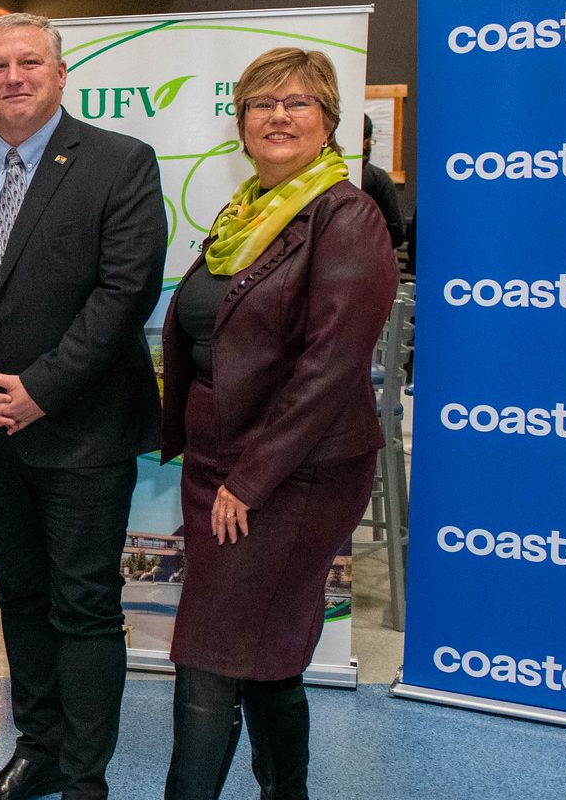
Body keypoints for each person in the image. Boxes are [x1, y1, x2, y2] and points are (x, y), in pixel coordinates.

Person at [0, 13, 166, 800]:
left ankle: (86, 776)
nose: (13, 77)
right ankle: (41, 751)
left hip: (82, 431)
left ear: (62, 74)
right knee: (20, 599)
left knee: (85, 605)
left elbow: (126, 293)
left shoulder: (121, 163)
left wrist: (40, 391)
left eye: (30, 63)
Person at [157, 48, 397, 800]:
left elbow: (330, 365)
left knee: (210, 649)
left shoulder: (344, 214)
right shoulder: (247, 215)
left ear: (329, 122)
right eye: (262, 103)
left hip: (294, 473)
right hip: (219, 464)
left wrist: (251, 479)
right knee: (264, 651)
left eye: (298, 103)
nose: (278, 115)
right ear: (242, 123)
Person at [358, 116, 407, 250]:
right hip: (371, 259)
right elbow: (397, 230)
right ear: (365, 142)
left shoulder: (319, 174)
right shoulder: (377, 178)